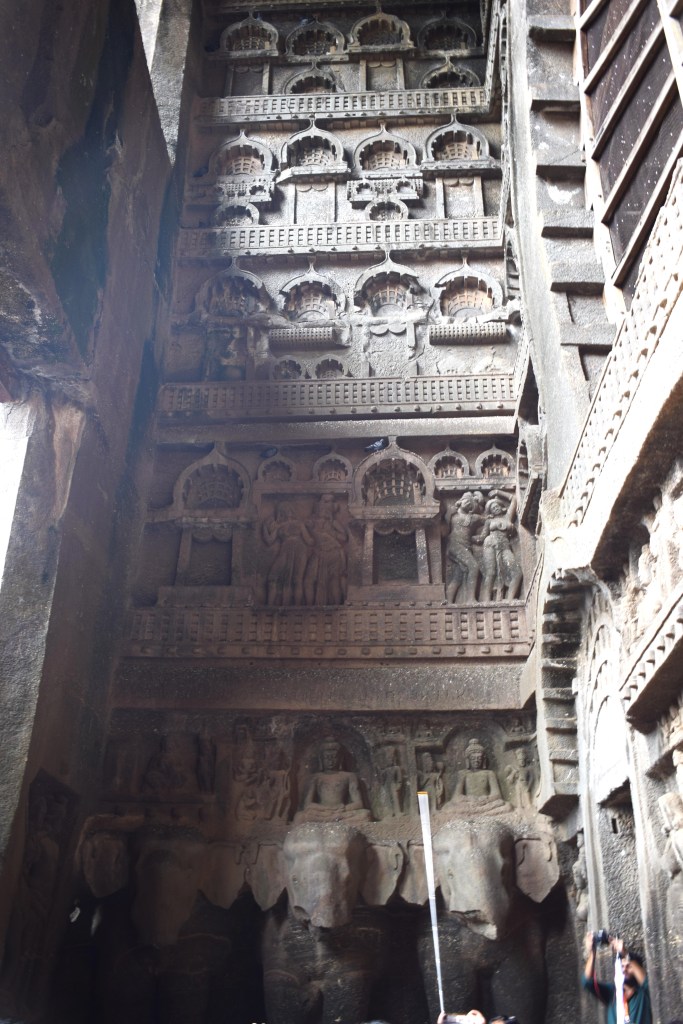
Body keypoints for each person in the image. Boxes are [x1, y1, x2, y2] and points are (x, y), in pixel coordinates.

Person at [582, 932, 652, 1024]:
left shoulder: (643, 993)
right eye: (622, 966)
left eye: (628, 966)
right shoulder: (612, 993)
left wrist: (625, 952)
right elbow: (587, 982)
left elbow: (645, 980)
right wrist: (592, 953)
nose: (624, 969)